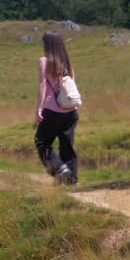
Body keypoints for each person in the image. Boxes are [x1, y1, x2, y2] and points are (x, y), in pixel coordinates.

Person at [35, 32, 79, 185]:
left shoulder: (44, 61)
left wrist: (38, 109)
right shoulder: (67, 62)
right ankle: (72, 181)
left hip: (52, 111)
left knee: (41, 141)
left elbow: (42, 85)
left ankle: (60, 169)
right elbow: (72, 84)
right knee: (67, 145)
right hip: (71, 111)